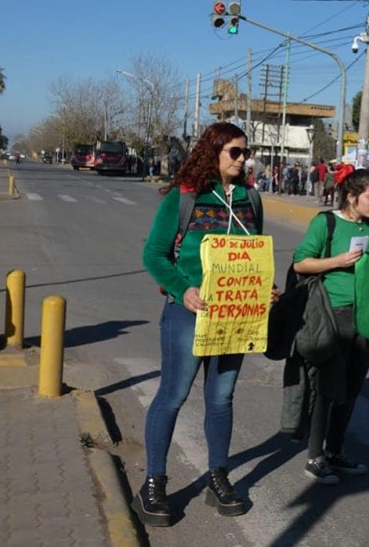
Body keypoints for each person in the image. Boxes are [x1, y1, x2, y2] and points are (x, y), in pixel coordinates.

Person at [136, 122, 277, 527]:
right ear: (212, 151)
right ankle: (153, 484)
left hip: (235, 318)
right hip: (188, 314)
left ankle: (218, 476)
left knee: (221, 399)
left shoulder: (251, 198)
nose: (242, 159)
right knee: (173, 396)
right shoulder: (184, 197)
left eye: (245, 153)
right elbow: (154, 255)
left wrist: (264, 287)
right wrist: (184, 291)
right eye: (234, 152)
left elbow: (252, 255)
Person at [289, 168, 369, 484]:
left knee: (352, 389)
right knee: (328, 388)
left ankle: (336, 451)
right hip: (333, 314)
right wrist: (337, 262)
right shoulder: (325, 223)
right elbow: (301, 262)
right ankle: (315, 457)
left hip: (365, 316)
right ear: (352, 196)